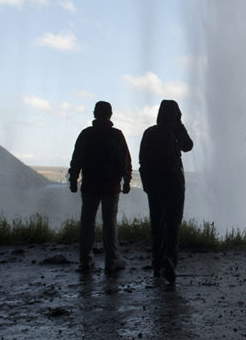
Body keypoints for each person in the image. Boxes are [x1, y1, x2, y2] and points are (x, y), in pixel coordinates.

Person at [68, 101, 132, 273]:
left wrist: (73, 179)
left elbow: (77, 159)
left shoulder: (86, 134)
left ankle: (85, 261)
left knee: (87, 223)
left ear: (94, 113)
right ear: (110, 115)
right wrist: (126, 181)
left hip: (90, 185)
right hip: (111, 186)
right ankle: (112, 260)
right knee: (109, 223)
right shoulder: (117, 135)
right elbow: (126, 160)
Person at [139, 100, 193, 284]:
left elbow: (142, 159)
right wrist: (180, 126)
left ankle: (156, 264)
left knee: (157, 224)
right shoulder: (175, 133)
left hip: (154, 185)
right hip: (174, 184)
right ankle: (170, 261)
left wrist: (146, 184)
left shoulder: (150, 133)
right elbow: (189, 146)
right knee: (172, 224)